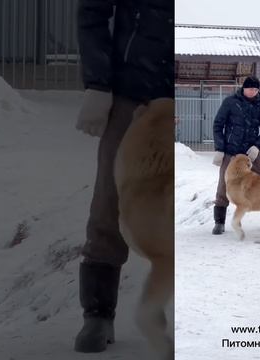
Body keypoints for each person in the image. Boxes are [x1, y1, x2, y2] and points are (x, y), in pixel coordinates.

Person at [73, 0, 173, 353]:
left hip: (184, 93)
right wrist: (98, 83)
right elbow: (94, 11)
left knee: (185, 201)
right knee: (111, 200)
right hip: (133, 93)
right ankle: (98, 313)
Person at [212, 75, 260, 235]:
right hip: (230, 152)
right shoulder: (230, 102)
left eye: (255, 89)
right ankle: (219, 222)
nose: (253, 92)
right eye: (250, 89)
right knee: (224, 184)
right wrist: (219, 148)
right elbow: (218, 125)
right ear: (243, 88)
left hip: (251, 154)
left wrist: (257, 146)